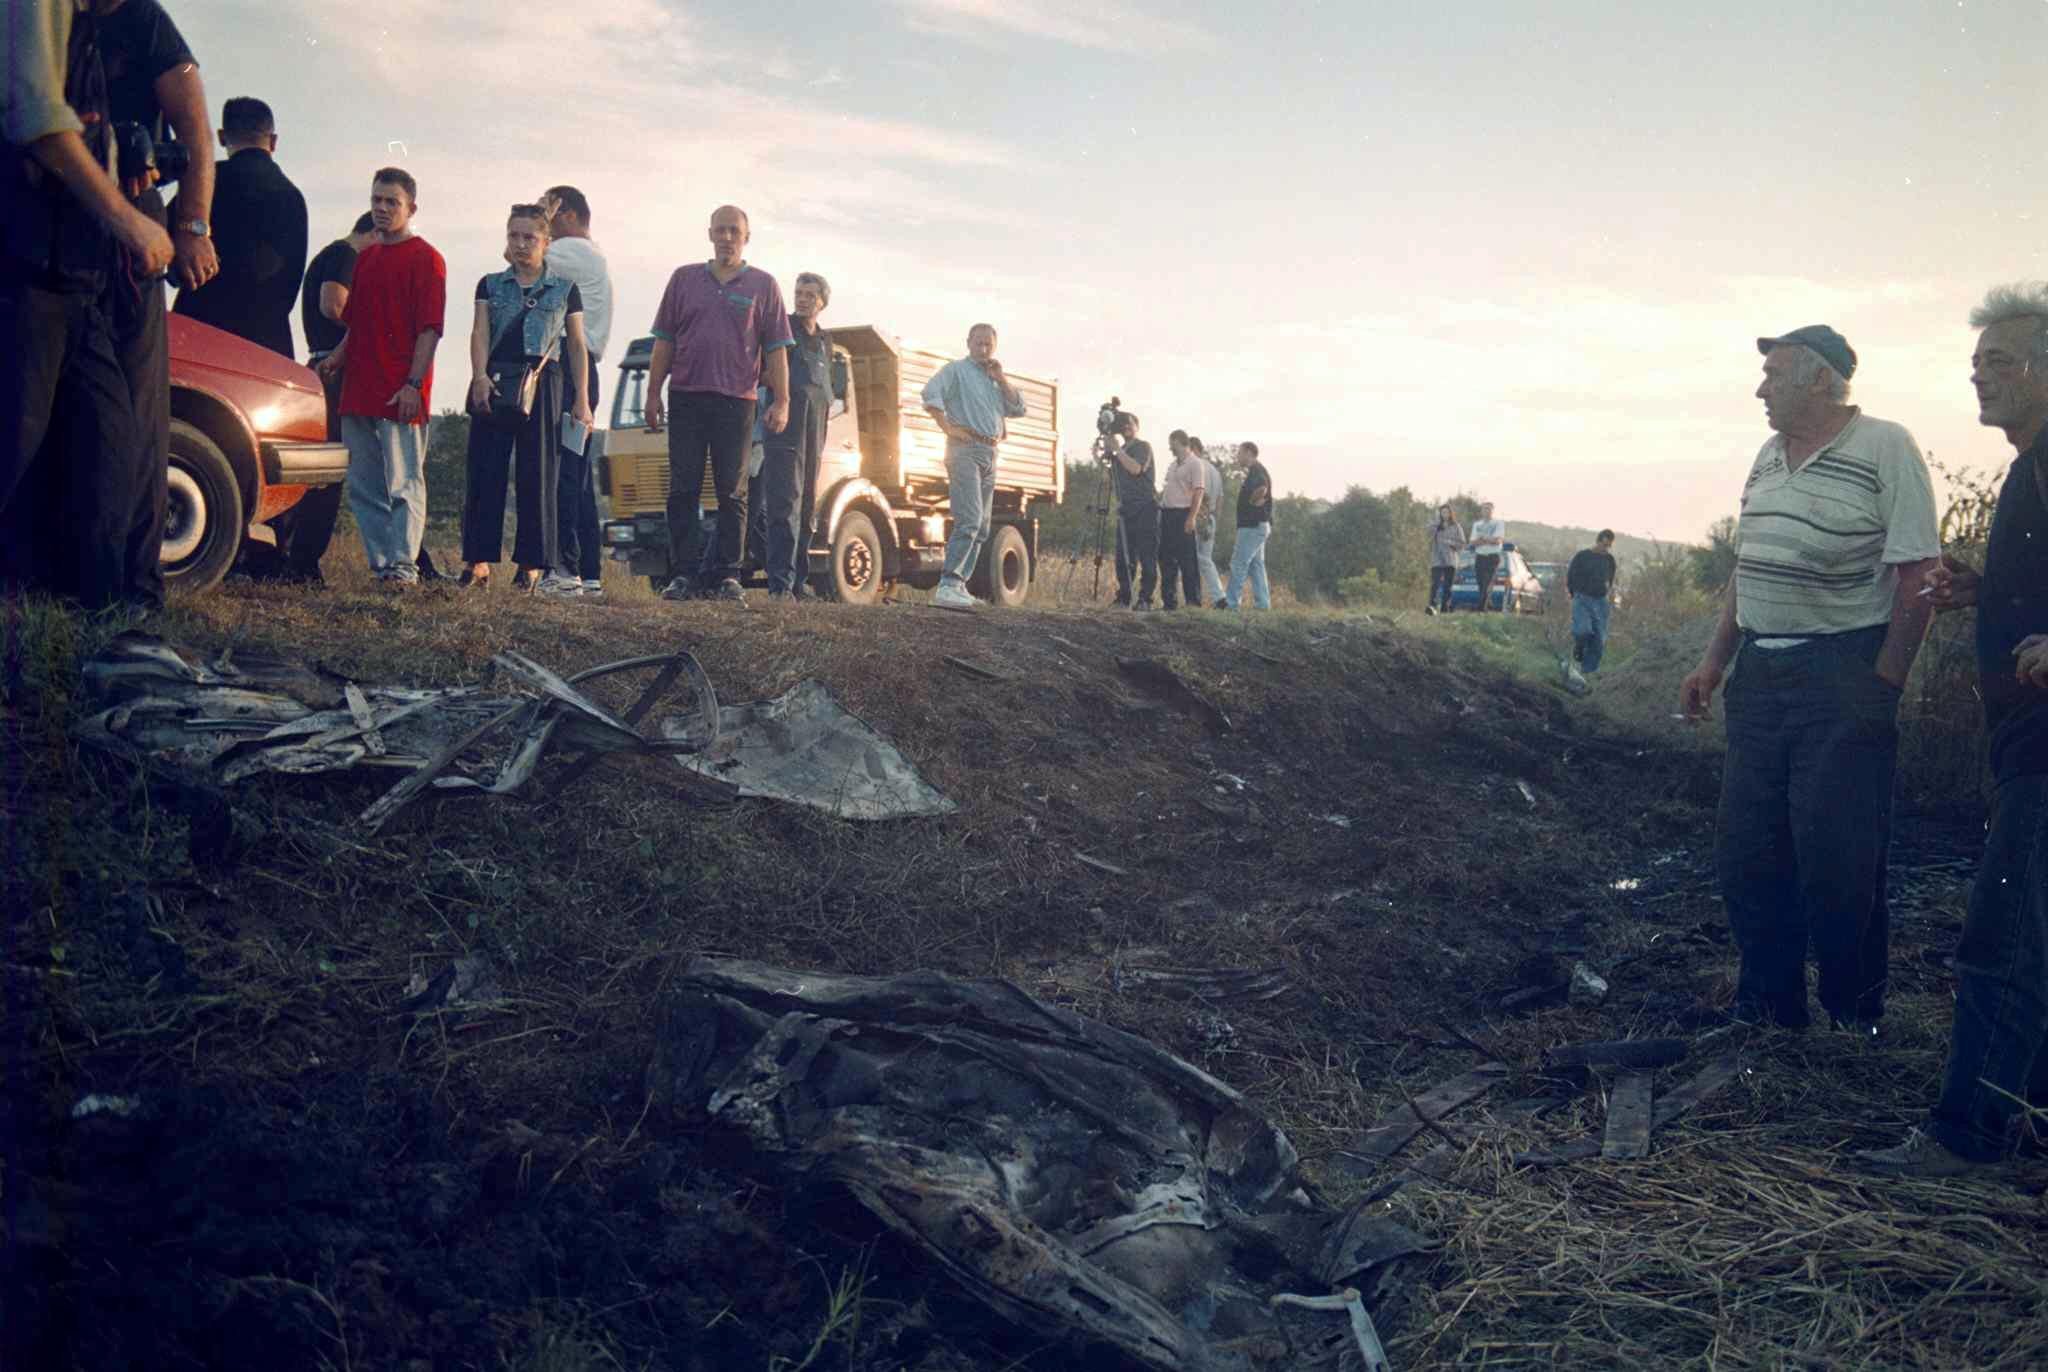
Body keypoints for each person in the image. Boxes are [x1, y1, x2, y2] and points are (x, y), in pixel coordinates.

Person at [1679, 324, 1940, 1033]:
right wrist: (1714, 660)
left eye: (1774, 374)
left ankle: (1856, 1015)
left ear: (1820, 380)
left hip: (1842, 672)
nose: (1760, 388)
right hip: (1761, 675)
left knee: (1838, 855)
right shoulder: (1767, 456)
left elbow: (1919, 575)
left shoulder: (1887, 446)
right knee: (1747, 851)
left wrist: (1882, 684)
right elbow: (1750, 566)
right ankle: (1770, 1010)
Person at [1860, 284, 2048, 1176]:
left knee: (2005, 939)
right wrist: (1993, 593)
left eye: (1999, 362)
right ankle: (2025, 1126)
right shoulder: (2031, 464)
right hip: (2025, 742)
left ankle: (1968, 1141)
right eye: (1975, 364)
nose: (1980, 378)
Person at [1, 0, 175, 606]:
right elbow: (39, 121)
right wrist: (131, 223)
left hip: (81, 282)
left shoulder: (91, 30)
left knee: (111, 449)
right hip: (23, 270)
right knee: (14, 448)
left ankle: (93, 628)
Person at [99, 0, 217, 608]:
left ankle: (135, 582)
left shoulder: (139, 17)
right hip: (50, 224)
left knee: (140, 405)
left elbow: (194, 126)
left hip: (131, 225)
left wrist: (193, 224)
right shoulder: (38, 20)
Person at [645, 204, 791, 605]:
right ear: (709, 234)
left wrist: (782, 400)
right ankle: (683, 576)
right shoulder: (684, 279)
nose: (727, 238)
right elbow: (664, 341)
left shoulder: (764, 285)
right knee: (683, 489)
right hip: (687, 397)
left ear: (746, 237)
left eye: (734, 231)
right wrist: (653, 392)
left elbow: (777, 349)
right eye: (720, 230)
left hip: (737, 402)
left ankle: (729, 575)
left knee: (733, 492)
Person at [316, 167, 446, 586]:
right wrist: (336, 358)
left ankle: (404, 566)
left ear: (411, 208)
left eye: (392, 202)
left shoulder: (427, 258)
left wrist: (413, 384)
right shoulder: (366, 258)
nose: (382, 208)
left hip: (401, 390)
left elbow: (430, 328)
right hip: (359, 388)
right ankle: (382, 566)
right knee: (364, 484)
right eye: (377, 200)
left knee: (403, 480)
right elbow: (358, 324)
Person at [458, 203, 592, 593]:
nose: (520, 244)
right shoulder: (490, 284)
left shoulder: (566, 289)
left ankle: (531, 564)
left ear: (546, 242)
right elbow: (479, 332)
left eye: (529, 237)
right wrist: (479, 376)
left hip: (543, 380)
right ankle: (477, 560)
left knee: (538, 472)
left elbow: (578, 346)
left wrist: (581, 398)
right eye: (514, 236)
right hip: (498, 376)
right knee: (485, 470)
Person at [171, 95, 303, 359]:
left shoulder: (203, 186)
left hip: (198, 334)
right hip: (267, 343)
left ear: (222, 137)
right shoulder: (292, 196)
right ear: (273, 141)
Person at [920, 322, 1027, 610]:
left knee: (982, 525)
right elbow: (929, 393)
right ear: (968, 342)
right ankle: (948, 583)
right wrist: (947, 427)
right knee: (969, 517)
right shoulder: (955, 371)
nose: (983, 348)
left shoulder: (995, 378)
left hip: (991, 451)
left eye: (988, 344)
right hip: (964, 449)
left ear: (995, 346)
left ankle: (959, 585)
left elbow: (1019, 408)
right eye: (978, 342)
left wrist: (1002, 379)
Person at [541, 185, 611, 597]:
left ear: (562, 213)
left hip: (572, 369)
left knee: (564, 472)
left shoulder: (570, 253)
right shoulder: (590, 253)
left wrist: (536, 213)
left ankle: (565, 568)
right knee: (578, 474)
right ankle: (588, 570)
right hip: (585, 367)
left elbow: (520, 257)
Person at [762, 271, 832, 600]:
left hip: (816, 427)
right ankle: (780, 585)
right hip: (786, 426)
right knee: (784, 502)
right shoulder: (782, 328)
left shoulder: (825, 340)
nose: (802, 299)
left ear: (823, 302)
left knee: (807, 507)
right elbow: (763, 371)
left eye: (809, 295)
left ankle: (799, 582)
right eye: (799, 292)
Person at [1102, 411, 1159, 611]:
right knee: (1123, 556)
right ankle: (1124, 596)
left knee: (1146, 554)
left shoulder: (1143, 447)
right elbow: (1109, 476)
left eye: (1130, 424)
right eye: (1123, 425)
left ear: (1137, 426)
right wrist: (1102, 452)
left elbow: (1135, 469)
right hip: (1125, 508)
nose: (1126, 427)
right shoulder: (1121, 450)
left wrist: (1117, 451)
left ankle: (1145, 598)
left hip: (1145, 506)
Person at [1218, 441, 1272, 610]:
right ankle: (1263, 605)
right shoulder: (1256, 471)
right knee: (1256, 566)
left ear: (1249, 453)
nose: (1237, 457)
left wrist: (1252, 501)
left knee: (1238, 563)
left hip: (1253, 526)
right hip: (1258, 526)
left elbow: (1262, 488)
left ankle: (1232, 605)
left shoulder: (1257, 471)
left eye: (1240, 453)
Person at [1157, 429, 1205, 610]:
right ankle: (1169, 603)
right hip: (1167, 514)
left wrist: (1191, 518)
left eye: (1172, 443)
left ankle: (1193, 602)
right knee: (1166, 559)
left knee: (1188, 561)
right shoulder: (1172, 465)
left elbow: (1199, 491)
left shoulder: (1195, 463)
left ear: (1180, 442)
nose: (1170, 447)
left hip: (1183, 514)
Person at [1566, 529, 1619, 671]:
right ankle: (1579, 648)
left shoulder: (1609, 560)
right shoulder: (1582, 556)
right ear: (1598, 541)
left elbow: (1610, 580)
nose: (1606, 549)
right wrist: (1574, 594)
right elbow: (1570, 576)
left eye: (1609, 546)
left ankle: (1588, 671)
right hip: (1582, 598)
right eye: (1604, 545)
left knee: (1599, 640)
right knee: (1583, 630)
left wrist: (1607, 595)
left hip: (1600, 601)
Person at [1190, 435, 1226, 608]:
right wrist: (1214, 519)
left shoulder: (1196, 467)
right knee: (1204, 558)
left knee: (1197, 558)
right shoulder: (1215, 471)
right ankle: (1214, 597)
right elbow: (1220, 498)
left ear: (1194, 448)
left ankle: (1217, 597)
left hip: (1197, 515)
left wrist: (1198, 516)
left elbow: (1196, 493)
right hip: (1210, 517)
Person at [1428, 503, 1465, 614]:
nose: (1445, 514)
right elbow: (1427, 535)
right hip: (1437, 559)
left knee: (1447, 586)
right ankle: (1432, 607)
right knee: (1435, 584)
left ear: (1450, 514)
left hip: (1451, 560)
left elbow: (1462, 543)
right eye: (1442, 512)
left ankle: (1445, 608)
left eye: (1447, 512)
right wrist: (1436, 526)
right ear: (1440, 514)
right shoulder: (1435, 526)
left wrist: (1451, 543)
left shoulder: (1456, 526)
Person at [1468, 502, 1505, 611]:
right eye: (1484, 509)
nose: (1486, 511)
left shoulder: (1498, 523)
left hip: (1492, 556)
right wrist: (1487, 540)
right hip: (1480, 556)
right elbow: (1472, 542)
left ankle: (1481, 608)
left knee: (1487, 582)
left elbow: (1497, 540)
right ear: (1481, 511)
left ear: (1492, 511)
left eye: (1489, 509)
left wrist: (1483, 539)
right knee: (1480, 583)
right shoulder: (1477, 524)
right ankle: (1488, 605)